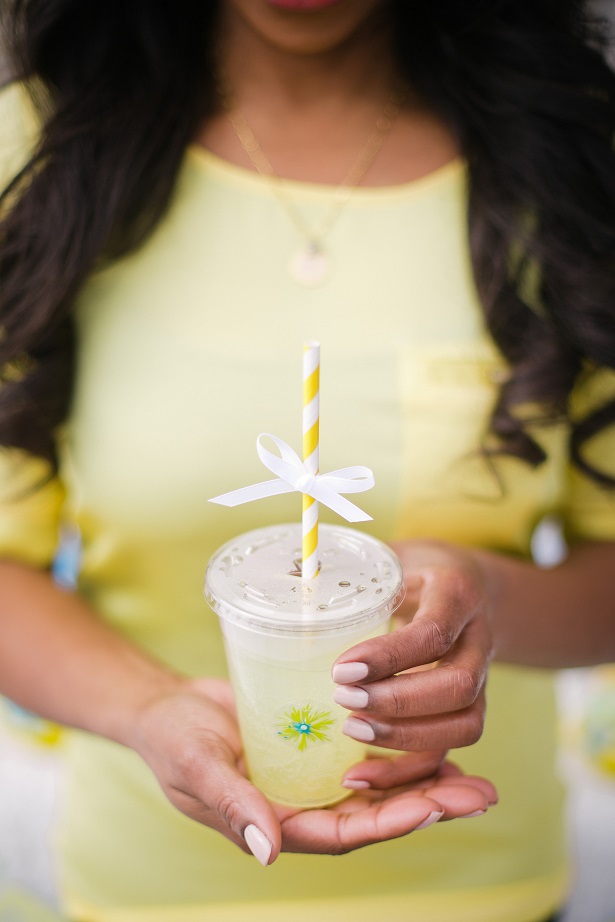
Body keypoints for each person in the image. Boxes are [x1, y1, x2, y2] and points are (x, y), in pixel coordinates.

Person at [1, 0, 614, 920]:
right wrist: (148, 707)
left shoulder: (573, 154)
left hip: (483, 891)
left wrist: (486, 598)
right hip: (145, 895)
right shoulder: (42, 146)